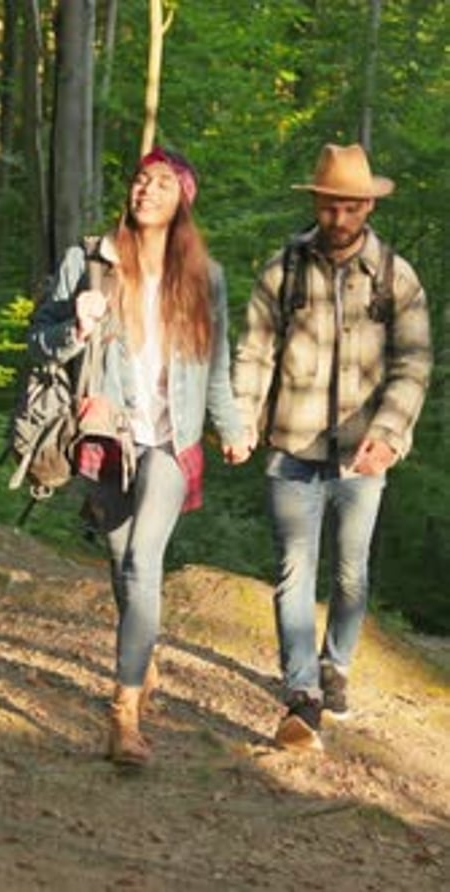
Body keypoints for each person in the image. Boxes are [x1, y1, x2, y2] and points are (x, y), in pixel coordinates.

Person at [28, 146, 250, 764]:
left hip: (171, 442)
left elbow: (217, 366)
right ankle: (142, 661)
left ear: (182, 200)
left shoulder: (206, 278)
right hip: (108, 436)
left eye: (160, 184)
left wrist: (230, 425)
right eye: (139, 181)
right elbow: (40, 344)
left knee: (144, 560)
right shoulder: (90, 261)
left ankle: (123, 713)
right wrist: (75, 324)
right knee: (123, 561)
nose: (144, 191)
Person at [232, 143, 432, 751]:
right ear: (315, 203)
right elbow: (254, 352)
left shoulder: (396, 276)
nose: (337, 219)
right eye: (328, 207)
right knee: (294, 570)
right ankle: (301, 692)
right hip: (291, 447)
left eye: (349, 208)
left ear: (368, 205)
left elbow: (414, 364)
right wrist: (240, 419)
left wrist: (391, 434)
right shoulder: (283, 270)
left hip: (363, 454)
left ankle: (335, 663)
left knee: (350, 573)